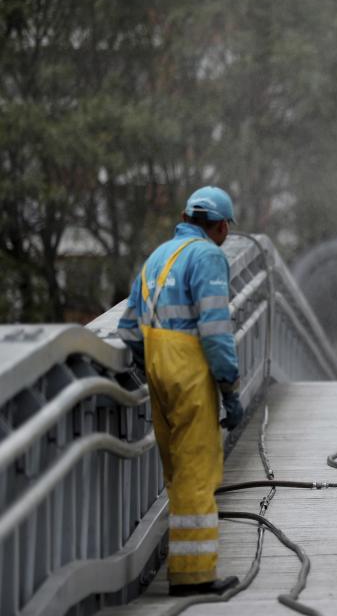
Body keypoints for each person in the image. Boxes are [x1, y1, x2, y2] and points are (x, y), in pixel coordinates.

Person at [116, 186, 242, 596]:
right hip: (190, 372)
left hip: (156, 367)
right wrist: (229, 387)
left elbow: (129, 329)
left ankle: (187, 567)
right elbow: (215, 328)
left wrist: (144, 365)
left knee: (175, 468)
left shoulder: (157, 257)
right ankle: (194, 575)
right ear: (221, 226)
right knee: (197, 471)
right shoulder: (207, 256)